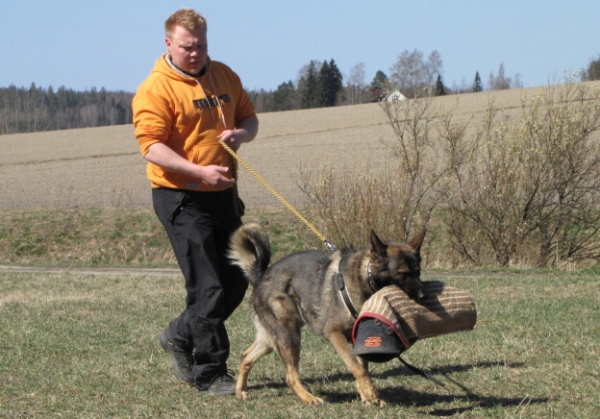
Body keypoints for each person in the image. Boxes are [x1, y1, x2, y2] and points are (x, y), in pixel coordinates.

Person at [132, 8, 258, 395]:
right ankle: (210, 374)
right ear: (169, 44)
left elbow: (250, 119)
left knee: (237, 280)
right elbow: (151, 147)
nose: (196, 53)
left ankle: (178, 333)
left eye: (201, 45)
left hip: (223, 195)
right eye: (187, 47)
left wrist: (241, 134)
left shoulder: (224, 74)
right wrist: (198, 171)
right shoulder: (156, 88)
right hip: (180, 197)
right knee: (208, 286)